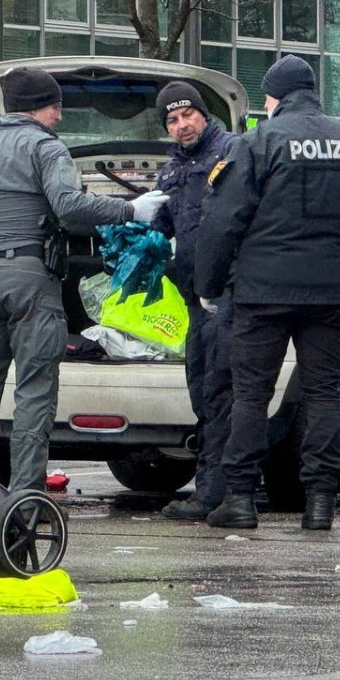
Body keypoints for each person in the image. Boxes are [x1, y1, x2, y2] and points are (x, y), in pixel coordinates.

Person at [0, 65, 170, 494]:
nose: (59, 117)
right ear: (43, 108)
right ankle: (25, 497)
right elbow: (69, 208)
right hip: (31, 279)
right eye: (57, 107)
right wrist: (132, 210)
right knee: (35, 394)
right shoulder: (47, 149)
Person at [194, 55, 340, 531]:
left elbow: (223, 220)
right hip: (329, 294)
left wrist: (209, 283)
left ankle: (239, 498)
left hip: (262, 292)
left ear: (274, 97)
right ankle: (320, 500)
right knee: (324, 393)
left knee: (250, 395)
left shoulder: (259, 141)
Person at [150, 82, 238, 521]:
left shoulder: (232, 153)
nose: (182, 125)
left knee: (219, 392)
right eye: (172, 120)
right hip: (193, 299)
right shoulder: (173, 169)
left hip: (226, 295)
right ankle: (215, 489)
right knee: (202, 392)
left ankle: (216, 493)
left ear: (204, 115)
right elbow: (165, 223)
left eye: (188, 116)